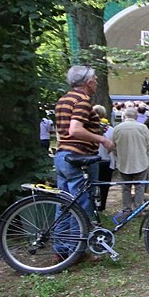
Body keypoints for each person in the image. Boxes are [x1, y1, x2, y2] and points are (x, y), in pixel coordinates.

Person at [53, 66, 113, 260]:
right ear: (88, 82)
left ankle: (60, 248)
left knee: (63, 203)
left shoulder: (64, 99)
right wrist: (102, 139)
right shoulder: (83, 100)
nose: (96, 82)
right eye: (95, 79)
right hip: (79, 159)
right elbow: (75, 129)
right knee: (81, 204)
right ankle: (76, 250)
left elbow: (64, 131)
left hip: (63, 156)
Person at [112, 107, 149, 219]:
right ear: (136, 116)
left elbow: (113, 146)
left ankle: (127, 209)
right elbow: (148, 145)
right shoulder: (142, 128)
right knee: (140, 187)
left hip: (124, 161)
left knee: (125, 187)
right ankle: (138, 209)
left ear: (124, 116)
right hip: (140, 161)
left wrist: (118, 156)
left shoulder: (117, 128)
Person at [93, 105, 114, 212]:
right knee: (105, 185)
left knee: (92, 184)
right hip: (106, 160)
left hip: (94, 158)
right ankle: (102, 206)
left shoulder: (90, 128)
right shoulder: (111, 130)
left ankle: (93, 206)